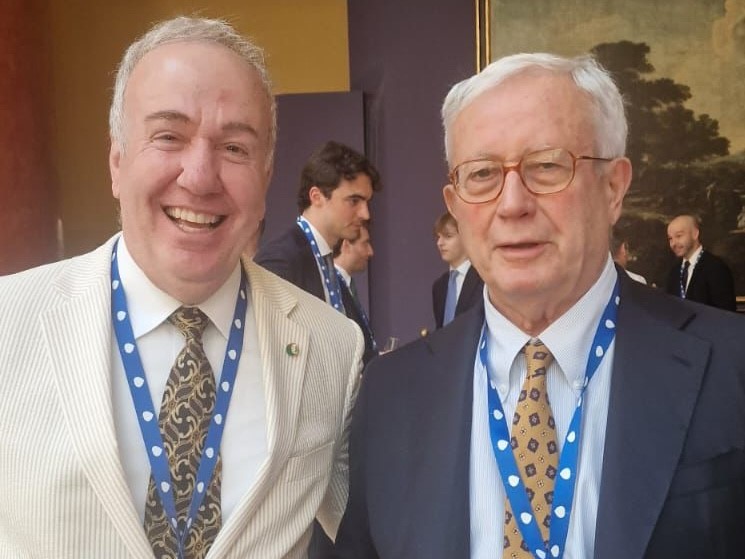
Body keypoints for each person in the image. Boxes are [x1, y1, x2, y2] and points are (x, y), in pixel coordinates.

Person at [334, 53, 745, 559]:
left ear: (614, 187)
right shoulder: (391, 394)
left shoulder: (732, 365)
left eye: (548, 166)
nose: (512, 204)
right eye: (482, 174)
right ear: (456, 205)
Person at [0, 17, 363, 559]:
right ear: (117, 162)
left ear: (266, 176)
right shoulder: (9, 320)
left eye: (235, 147)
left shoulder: (331, 346)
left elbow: (378, 529)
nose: (200, 176)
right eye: (168, 136)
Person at [255, 140, 381, 365]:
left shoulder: (330, 269)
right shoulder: (280, 261)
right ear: (316, 196)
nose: (365, 214)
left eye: (366, 202)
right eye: (354, 201)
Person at [665, 214, 736, 311]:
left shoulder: (716, 267)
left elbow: (725, 313)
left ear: (695, 234)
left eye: (679, 236)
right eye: (670, 238)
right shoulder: (674, 271)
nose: (673, 243)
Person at [431, 211, 484, 328]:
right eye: (438, 237)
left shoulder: (484, 278)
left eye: (448, 236)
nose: (439, 243)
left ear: (466, 237)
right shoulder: (439, 286)